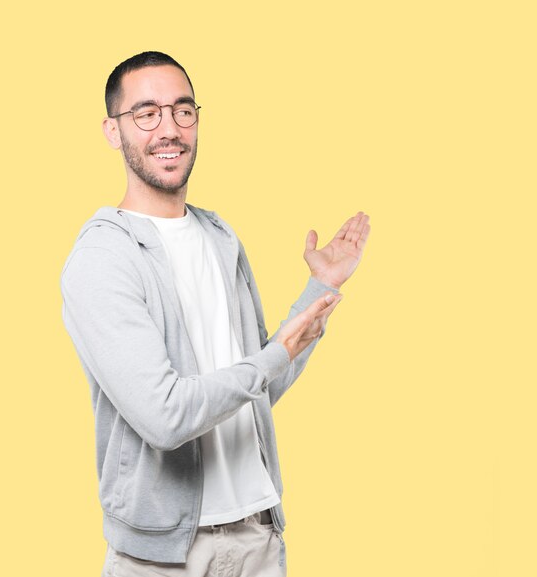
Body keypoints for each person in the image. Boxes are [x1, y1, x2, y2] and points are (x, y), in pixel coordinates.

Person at [60, 51, 370, 577]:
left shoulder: (220, 236)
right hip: (161, 555)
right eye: (146, 113)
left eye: (183, 111)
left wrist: (320, 288)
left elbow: (257, 389)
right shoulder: (102, 258)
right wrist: (273, 358)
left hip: (257, 535)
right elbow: (165, 416)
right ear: (113, 131)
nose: (169, 129)